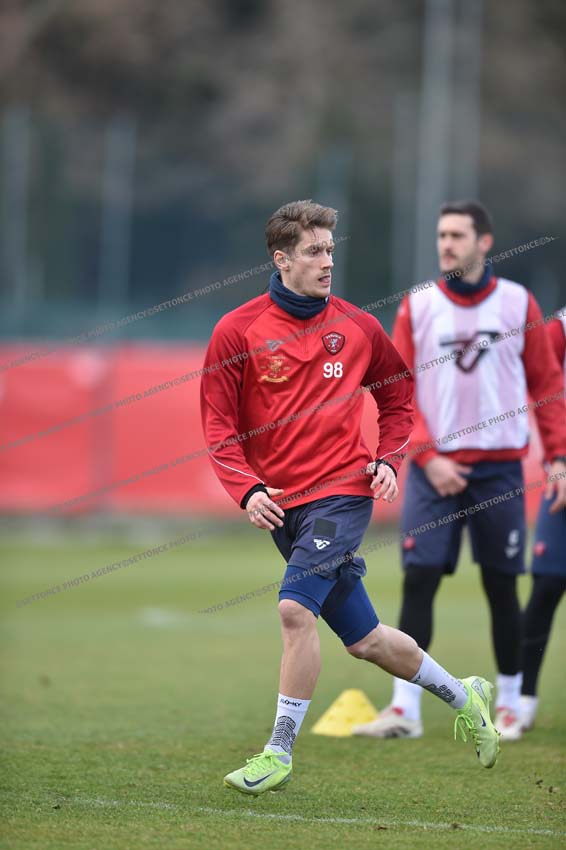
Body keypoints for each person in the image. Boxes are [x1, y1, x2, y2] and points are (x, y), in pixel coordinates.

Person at [200, 199, 499, 796]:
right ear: (281, 259)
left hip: (341, 493)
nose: (327, 262)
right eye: (313, 251)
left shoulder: (359, 327)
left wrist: (387, 459)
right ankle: (465, 695)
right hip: (283, 506)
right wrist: (247, 489)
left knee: (293, 610)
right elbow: (218, 425)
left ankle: (278, 753)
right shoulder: (237, 331)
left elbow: (398, 398)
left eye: (330, 250)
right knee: (366, 641)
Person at [353, 201, 566, 743]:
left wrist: (558, 456)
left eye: (457, 235)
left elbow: (546, 385)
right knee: (420, 578)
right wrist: (428, 456)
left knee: (501, 584)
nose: (446, 244)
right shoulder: (419, 305)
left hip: (500, 470)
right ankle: (405, 709)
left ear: (484, 242)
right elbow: (398, 389)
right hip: (434, 471)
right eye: (441, 235)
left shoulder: (517, 302)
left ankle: (510, 704)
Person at [520, 308, 566, 731]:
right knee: (547, 584)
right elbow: (544, 389)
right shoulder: (560, 328)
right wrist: (558, 458)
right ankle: (523, 698)